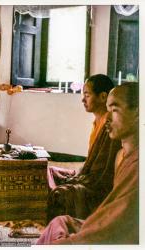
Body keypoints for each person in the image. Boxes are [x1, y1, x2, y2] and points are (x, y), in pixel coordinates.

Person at [37, 82, 139, 244]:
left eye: (114, 109)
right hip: (105, 222)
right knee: (59, 222)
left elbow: (119, 222)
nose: (108, 117)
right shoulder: (122, 154)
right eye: (108, 110)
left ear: (138, 114)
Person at [47, 74, 121, 222]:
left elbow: (102, 172)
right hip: (88, 174)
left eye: (87, 95)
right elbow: (90, 162)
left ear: (102, 96)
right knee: (49, 170)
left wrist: (79, 179)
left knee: (61, 193)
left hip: (97, 184)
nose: (82, 99)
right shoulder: (97, 122)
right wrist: (79, 175)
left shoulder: (109, 125)